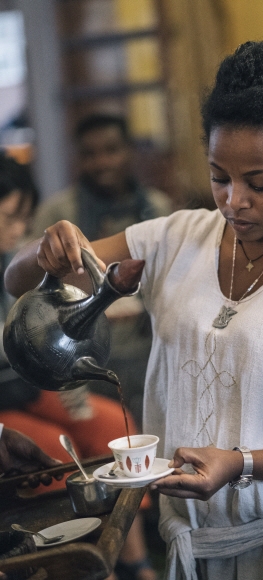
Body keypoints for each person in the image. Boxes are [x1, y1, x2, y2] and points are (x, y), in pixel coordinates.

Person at [5, 40, 263, 580]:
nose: (233, 201)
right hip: (195, 546)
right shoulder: (175, 239)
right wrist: (48, 249)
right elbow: (17, 278)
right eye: (219, 177)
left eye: (259, 183)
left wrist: (242, 463)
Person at [0, 153, 157, 580]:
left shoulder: (9, 261)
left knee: (113, 422)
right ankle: (62, 559)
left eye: (24, 219)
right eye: (12, 216)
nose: (18, 230)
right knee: (53, 448)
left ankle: (132, 560)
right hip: (7, 396)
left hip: (33, 388)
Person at [30, 112, 173, 429]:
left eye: (111, 150)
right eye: (89, 154)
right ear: (77, 159)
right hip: (83, 358)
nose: (102, 162)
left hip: (149, 350)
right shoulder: (58, 214)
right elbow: (36, 294)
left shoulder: (157, 208)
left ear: (130, 151)